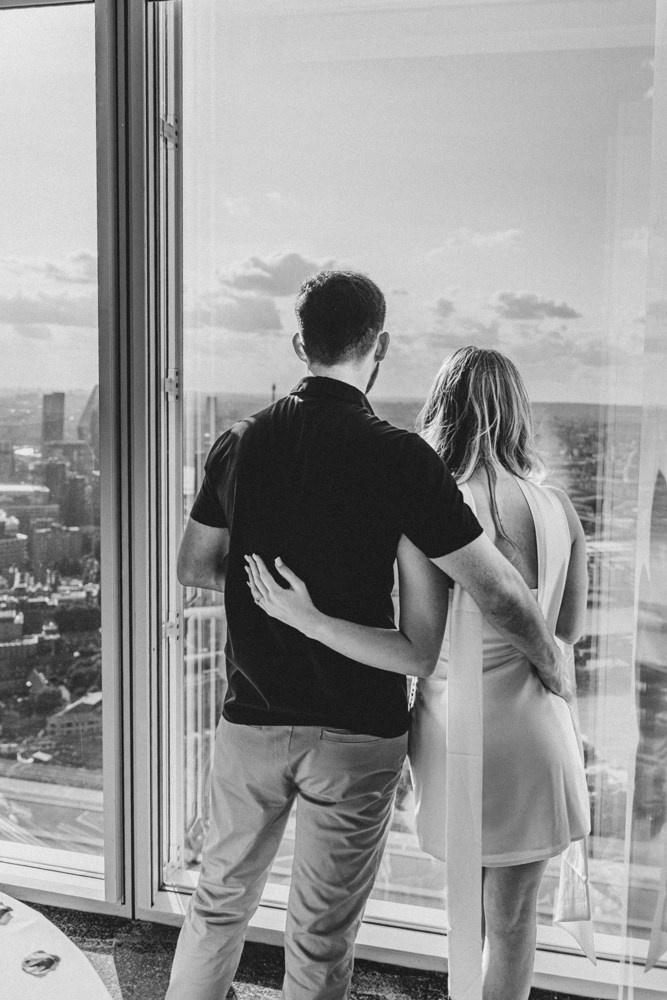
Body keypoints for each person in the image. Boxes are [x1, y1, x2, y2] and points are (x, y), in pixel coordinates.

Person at [167, 273, 570, 1000]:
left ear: (300, 345)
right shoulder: (401, 458)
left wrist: (272, 585)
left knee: (218, 901)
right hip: (355, 728)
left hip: (251, 717)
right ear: (379, 346)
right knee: (320, 932)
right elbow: (498, 591)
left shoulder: (240, 442)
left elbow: (194, 565)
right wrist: (550, 663)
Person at [246, 346, 589, 1000]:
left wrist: (310, 618)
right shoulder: (559, 509)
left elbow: (416, 647)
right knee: (514, 921)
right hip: (538, 732)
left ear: (441, 410)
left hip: (457, 735)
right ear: (517, 413)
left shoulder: (433, 508)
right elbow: (566, 631)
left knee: (466, 914)